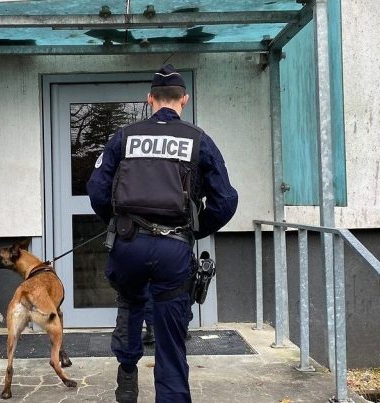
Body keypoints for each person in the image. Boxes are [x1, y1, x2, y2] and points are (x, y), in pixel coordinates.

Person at [87, 64, 238, 403]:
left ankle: (127, 372)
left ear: (149, 98)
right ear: (184, 98)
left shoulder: (124, 137)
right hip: (174, 250)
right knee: (171, 339)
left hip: (128, 245)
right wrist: (196, 229)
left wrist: (119, 222)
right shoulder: (198, 139)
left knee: (130, 303)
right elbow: (226, 200)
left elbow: (96, 190)